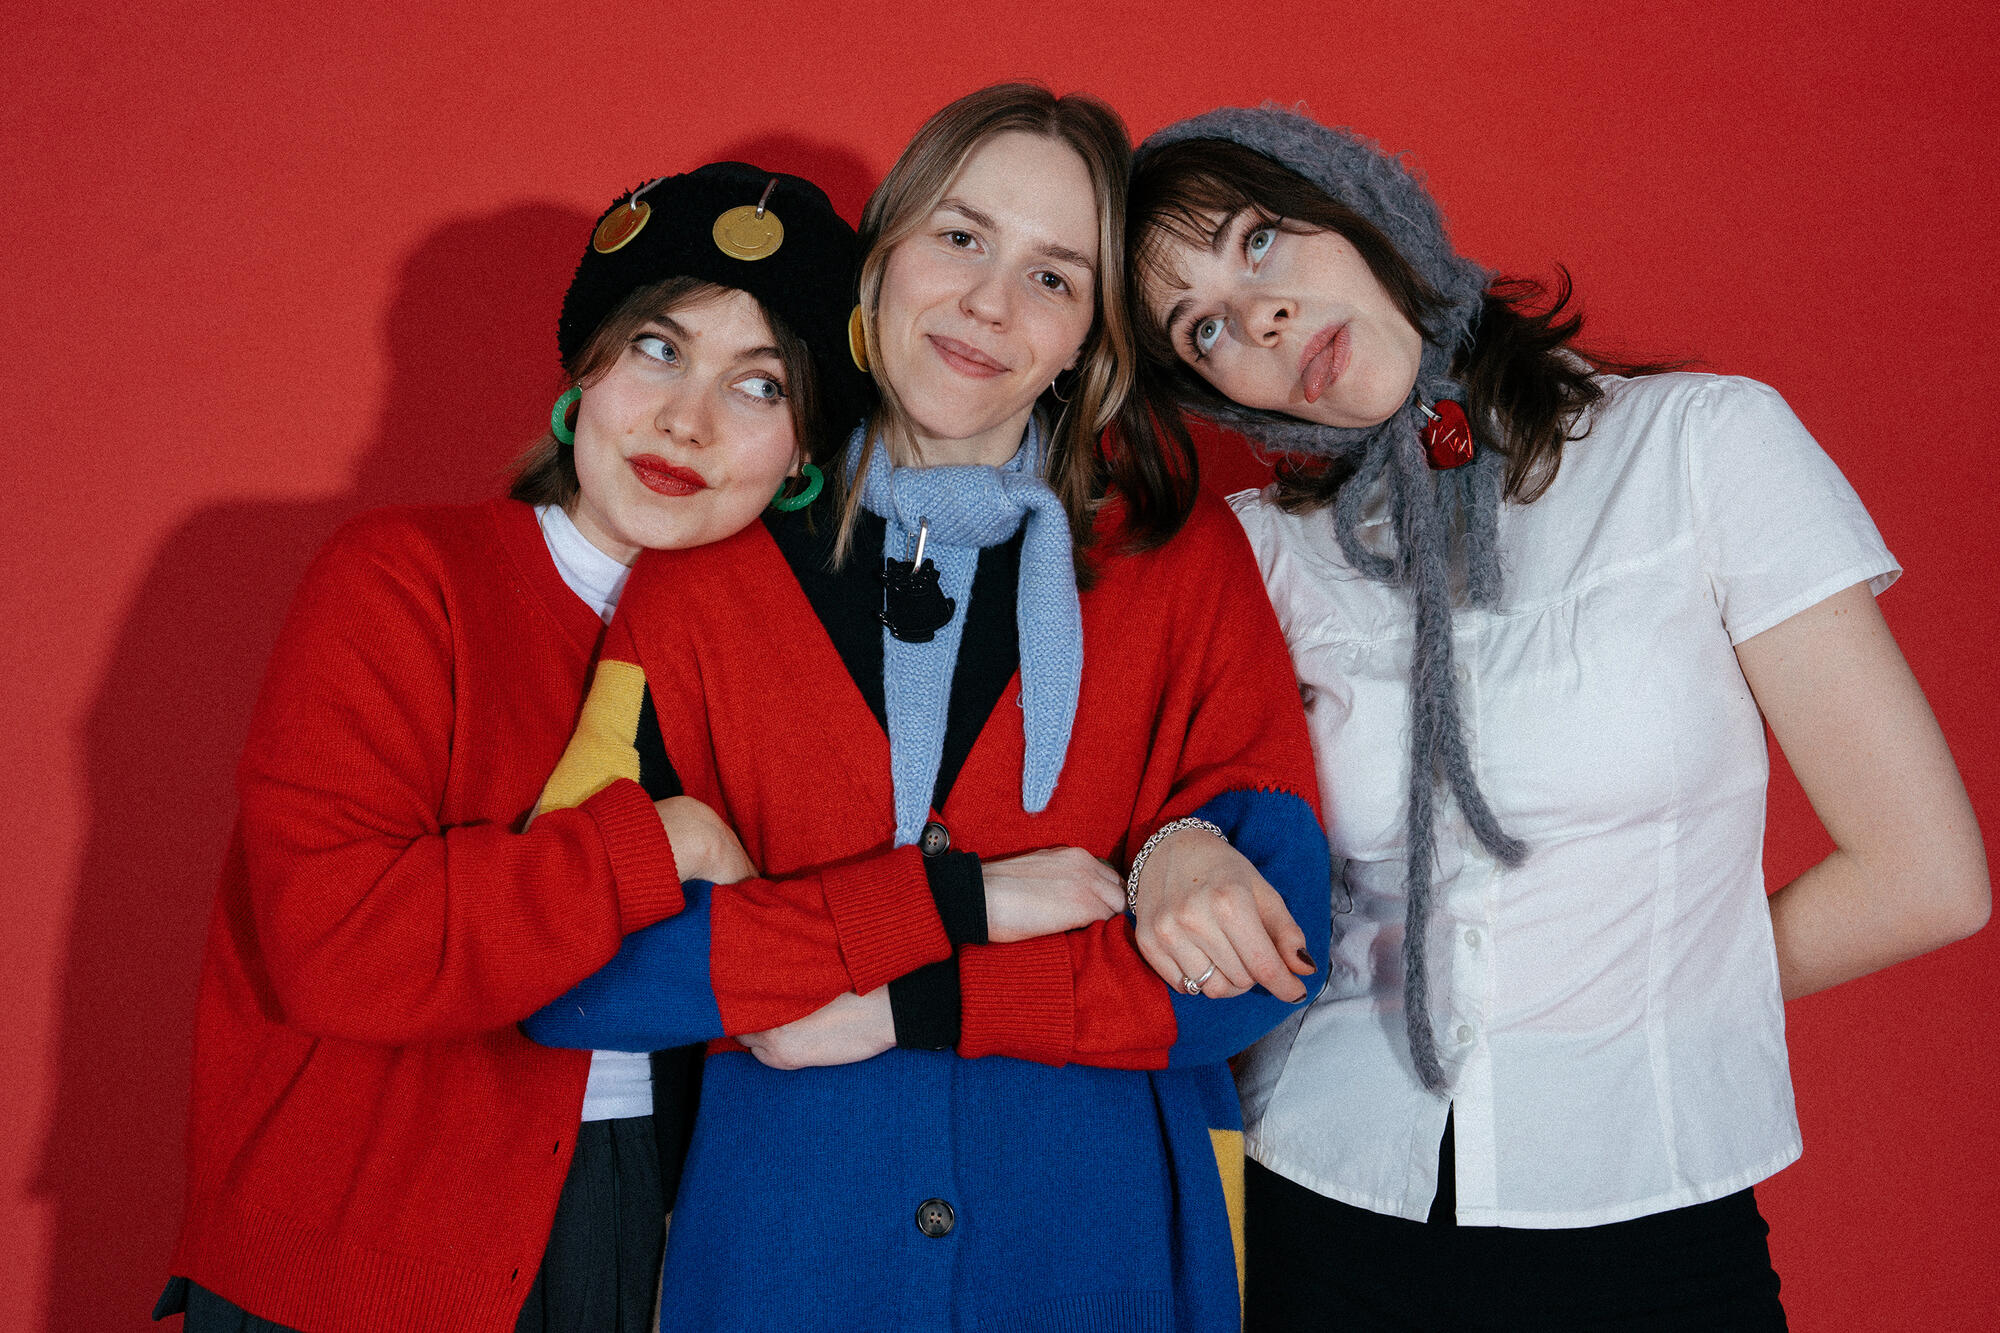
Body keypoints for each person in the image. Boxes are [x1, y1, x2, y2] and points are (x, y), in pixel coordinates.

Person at [1123, 106, 1991, 1331]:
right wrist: (1172, 848)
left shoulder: (1699, 445)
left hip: (1645, 1214)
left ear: (1365, 211)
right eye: (1200, 326)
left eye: (1259, 239)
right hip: (1320, 1207)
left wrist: (1630, 1009)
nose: (1255, 319)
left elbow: (1924, 876)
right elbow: (1133, 816)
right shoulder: (1257, 559)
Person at [523, 83, 1330, 1332]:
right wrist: (936, 916)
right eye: (959, 238)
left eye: (1055, 278)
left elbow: (1270, 958)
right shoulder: (703, 571)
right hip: (789, 1259)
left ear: (1090, 343)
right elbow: (564, 963)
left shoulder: (1177, 565)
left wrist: (901, 1004)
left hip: (1103, 1256)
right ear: (881, 256)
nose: (990, 305)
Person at [156, 162, 875, 1333]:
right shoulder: (403, 579)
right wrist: (664, 841)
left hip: (630, 1218)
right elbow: (337, 945)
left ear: (802, 453)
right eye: (657, 349)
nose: (687, 422)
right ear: (585, 367)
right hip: (357, 1237)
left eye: (758, 385)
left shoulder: (784, 661)